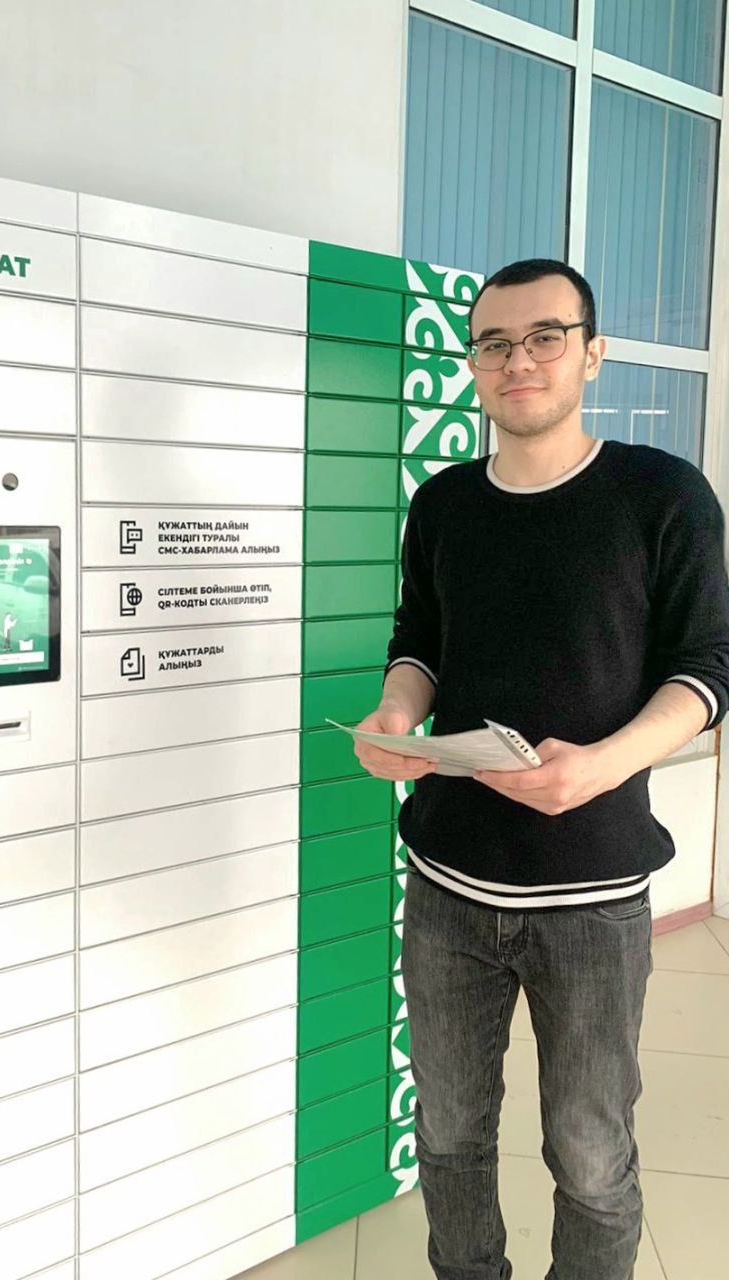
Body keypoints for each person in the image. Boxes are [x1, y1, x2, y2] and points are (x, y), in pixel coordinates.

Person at [355, 258, 729, 1280]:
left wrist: (600, 766)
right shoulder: (443, 503)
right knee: (448, 1134)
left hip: (594, 897)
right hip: (446, 886)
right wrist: (398, 714)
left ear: (591, 353)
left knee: (592, 1156)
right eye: (493, 342)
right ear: (474, 362)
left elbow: (707, 669)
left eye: (544, 337)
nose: (517, 359)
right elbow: (420, 641)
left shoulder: (663, 494)